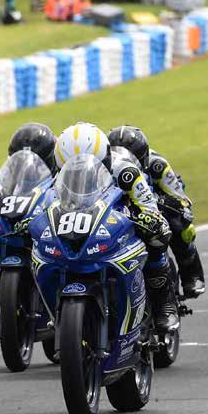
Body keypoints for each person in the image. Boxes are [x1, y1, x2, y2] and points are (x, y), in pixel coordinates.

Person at [55, 123, 179, 331]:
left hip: (121, 223)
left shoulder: (125, 171)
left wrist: (148, 218)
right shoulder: (58, 178)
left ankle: (164, 305)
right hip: (81, 224)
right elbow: (48, 202)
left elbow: (149, 205)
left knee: (156, 236)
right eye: (72, 169)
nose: (80, 173)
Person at [108, 125, 205, 298]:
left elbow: (182, 200)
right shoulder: (108, 165)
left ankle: (191, 274)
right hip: (124, 207)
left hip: (156, 203)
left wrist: (163, 205)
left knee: (181, 223)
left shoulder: (157, 165)